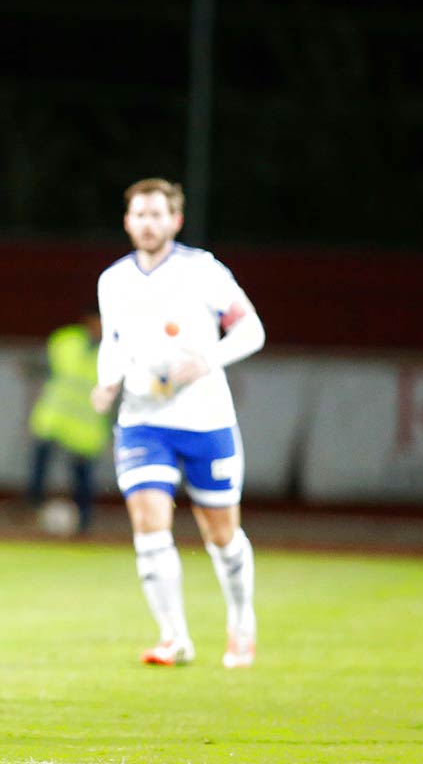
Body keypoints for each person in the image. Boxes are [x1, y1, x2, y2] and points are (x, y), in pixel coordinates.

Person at [90, 178, 266, 669]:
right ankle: (173, 637)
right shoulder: (114, 280)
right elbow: (114, 343)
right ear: (127, 221)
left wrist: (207, 360)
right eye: (139, 214)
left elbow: (251, 329)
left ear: (176, 220)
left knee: (222, 535)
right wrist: (107, 381)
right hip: (143, 420)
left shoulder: (203, 271)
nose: (148, 223)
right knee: (149, 527)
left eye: (157, 214)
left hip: (205, 418)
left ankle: (241, 623)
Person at [27, 312, 110, 534]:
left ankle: (83, 521)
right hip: (54, 418)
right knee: (40, 469)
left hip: (85, 428)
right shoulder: (65, 341)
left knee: (82, 477)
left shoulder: (112, 350)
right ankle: (32, 510)